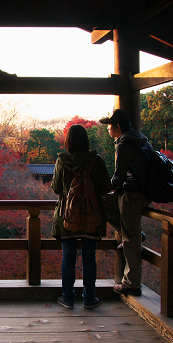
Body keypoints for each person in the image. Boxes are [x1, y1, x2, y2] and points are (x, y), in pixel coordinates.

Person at [51, 124, 112, 309]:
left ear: (68, 141)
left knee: (68, 257)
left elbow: (56, 188)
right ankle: (89, 298)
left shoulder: (62, 161)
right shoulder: (97, 161)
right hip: (92, 217)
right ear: (86, 140)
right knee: (89, 257)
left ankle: (68, 297)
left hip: (67, 217)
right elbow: (105, 188)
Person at [99, 109, 152, 296]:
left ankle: (132, 283)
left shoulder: (124, 144)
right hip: (145, 193)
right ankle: (136, 234)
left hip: (132, 195)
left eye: (109, 126)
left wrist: (99, 187)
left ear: (118, 126)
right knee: (104, 202)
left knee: (130, 239)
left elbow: (118, 178)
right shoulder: (141, 139)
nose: (108, 129)